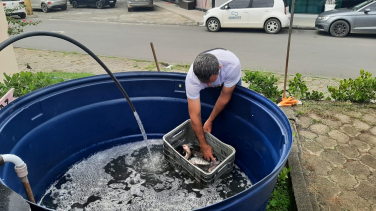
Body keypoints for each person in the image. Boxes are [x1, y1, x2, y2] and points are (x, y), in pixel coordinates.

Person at [185, 48, 242, 161]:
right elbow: (194, 115)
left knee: (233, 103)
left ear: (219, 68)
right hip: (207, 76)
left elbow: (224, 97)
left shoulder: (232, 65)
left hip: (228, 77)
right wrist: (203, 145)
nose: (209, 84)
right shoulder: (192, 79)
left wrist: (210, 120)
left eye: (211, 81)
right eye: (205, 82)